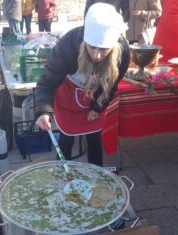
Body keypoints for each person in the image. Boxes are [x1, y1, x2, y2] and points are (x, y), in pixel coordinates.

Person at [35, 3, 130, 166]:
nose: (97, 55)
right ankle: (63, 177)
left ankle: (96, 178)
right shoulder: (69, 45)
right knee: (66, 140)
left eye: (104, 50)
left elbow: (112, 84)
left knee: (94, 138)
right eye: (92, 47)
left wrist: (97, 106)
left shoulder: (123, 52)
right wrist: (43, 111)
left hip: (95, 94)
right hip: (68, 97)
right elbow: (47, 82)